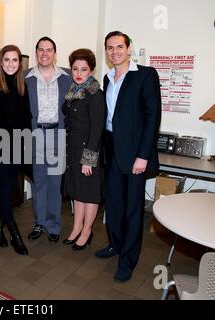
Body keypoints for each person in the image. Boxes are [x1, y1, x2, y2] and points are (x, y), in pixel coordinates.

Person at [95, 31, 161, 282]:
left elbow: (152, 118)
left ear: (129, 48)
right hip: (111, 151)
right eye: (110, 48)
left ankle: (128, 260)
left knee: (133, 210)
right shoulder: (107, 77)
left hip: (135, 155)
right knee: (113, 206)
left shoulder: (145, 75)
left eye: (119, 46)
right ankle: (116, 245)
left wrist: (143, 156)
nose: (115, 52)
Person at [0, 45, 32, 255]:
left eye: (15, 60)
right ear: (0, 63)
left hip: (17, 148)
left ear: (19, 63)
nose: (11, 64)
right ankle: (14, 232)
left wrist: (25, 152)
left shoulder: (22, 87)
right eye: (7, 60)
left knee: (7, 191)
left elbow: (26, 120)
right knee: (3, 190)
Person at [25, 36, 71, 243]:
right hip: (35, 133)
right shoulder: (25, 77)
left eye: (49, 50)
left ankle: (53, 225)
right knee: (39, 181)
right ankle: (39, 222)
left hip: (57, 133)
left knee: (54, 182)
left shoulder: (67, 77)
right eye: (41, 50)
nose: (44, 53)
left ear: (54, 53)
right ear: (36, 52)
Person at [62, 49, 105, 250]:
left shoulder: (95, 94)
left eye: (84, 69)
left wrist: (89, 159)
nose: (79, 73)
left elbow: (97, 129)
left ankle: (87, 230)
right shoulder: (73, 92)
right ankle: (76, 226)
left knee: (89, 194)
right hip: (73, 150)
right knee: (77, 192)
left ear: (91, 71)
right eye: (75, 69)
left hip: (89, 152)